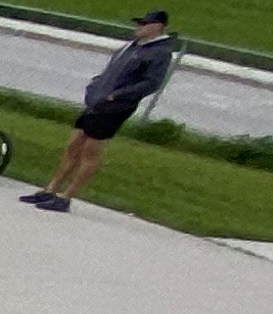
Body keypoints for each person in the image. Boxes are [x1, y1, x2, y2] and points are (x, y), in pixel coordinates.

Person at [23, 11, 177, 211]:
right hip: (96, 102)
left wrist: (118, 96)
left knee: (90, 152)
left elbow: (151, 83)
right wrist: (95, 85)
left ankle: (66, 196)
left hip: (115, 108)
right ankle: (49, 189)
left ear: (157, 27)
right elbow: (109, 71)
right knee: (74, 145)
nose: (139, 27)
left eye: (144, 24)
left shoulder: (159, 53)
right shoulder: (131, 46)